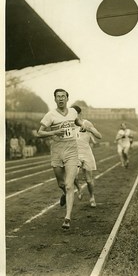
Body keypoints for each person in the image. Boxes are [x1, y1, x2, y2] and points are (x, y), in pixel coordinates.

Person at [37, 89, 84, 229]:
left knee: (70, 185)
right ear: (55, 99)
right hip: (57, 150)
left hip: (71, 149)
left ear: (67, 98)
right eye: (58, 97)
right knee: (61, 184)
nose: (61, 99)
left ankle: (67, 218)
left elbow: (77, 121)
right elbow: (39, 133)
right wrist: (54, 132)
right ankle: (64, 193)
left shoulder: (73, 112)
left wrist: (82, 126)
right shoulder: (50, 115)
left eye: (63, 96)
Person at [71, 105, 102, 208]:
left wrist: (89, 129)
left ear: (79, 114)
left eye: (74, 113)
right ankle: (79, 188)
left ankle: (92, 197)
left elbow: (99, 136)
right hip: (75, 154)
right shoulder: (69, 125)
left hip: (86, 153)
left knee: (88, 180)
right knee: (73, 176)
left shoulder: (86, 122)